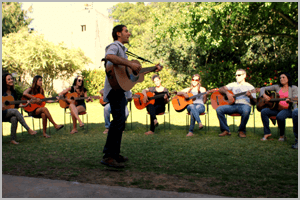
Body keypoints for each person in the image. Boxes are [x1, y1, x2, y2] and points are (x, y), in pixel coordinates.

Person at [101, 24, 162, 168]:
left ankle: (114, 154)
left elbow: (133, 75)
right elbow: (109, 57)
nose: (129, 33)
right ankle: (108, 156)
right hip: (114, 90)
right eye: (126, 31)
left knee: (120, 122)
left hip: (120, 91)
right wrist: (129, 63)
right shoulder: (114, 46)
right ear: (118, 34)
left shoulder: (124, 52)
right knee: (118, 122)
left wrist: (154, 68)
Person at [212, 69, 257, 138]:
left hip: (244, 105)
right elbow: (221, 89)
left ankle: (241, 130)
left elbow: (254, 102)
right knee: (219, 109)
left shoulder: (250, 87)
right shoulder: (233, 84)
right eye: (236, 75)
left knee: (246, 111)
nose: (237, 77)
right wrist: (227, 93)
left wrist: (250, 96)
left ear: (244, 75)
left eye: (239, 75)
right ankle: (225, 130)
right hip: (233, 105)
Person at [259, 72, 298, 141]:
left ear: (288, 78)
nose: (281, 79)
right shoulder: (277, 87)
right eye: (280, 78)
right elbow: (262, 88)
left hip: (288, 109)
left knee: (280, 116)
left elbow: (295, 98)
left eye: (283, 77)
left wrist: (290, 100)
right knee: (264, 111)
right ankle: (267, 133)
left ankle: (282, 135)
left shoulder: (294, 88)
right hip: (277, 109)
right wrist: (264, 96)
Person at [2, 73, 37, 144]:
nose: (11, 80)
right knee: (15, 111)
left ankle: (13, 139)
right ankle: (28, 129)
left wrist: (25, 105)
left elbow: (16, 105)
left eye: (11, 79)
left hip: (7, 114)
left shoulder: (13, 92)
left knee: (14, 118)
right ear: (4, 81)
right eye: (9, 79)